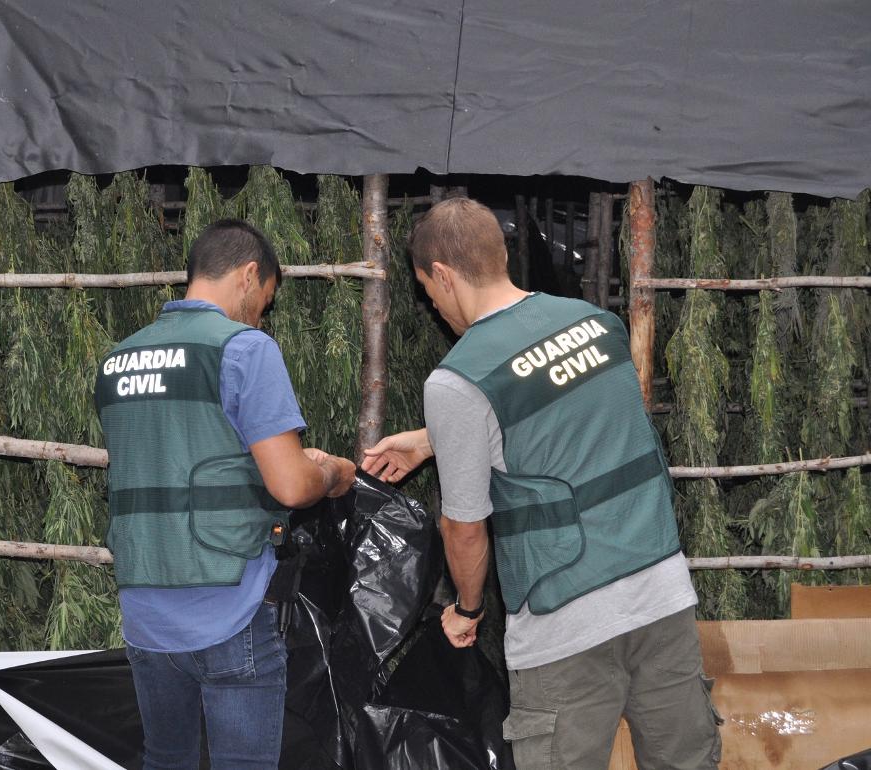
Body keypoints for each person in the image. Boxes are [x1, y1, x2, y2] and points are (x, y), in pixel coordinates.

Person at [361, 197, 721, 769]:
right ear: (501, 253)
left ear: (445, 277)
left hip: (565, 625)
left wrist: (469, 609)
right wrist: (434, 439)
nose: (432, 304)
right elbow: (562, 413)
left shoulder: (459, 379)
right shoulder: (596, 323)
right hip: (662, 595)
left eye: (428, 290)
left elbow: (465, 530)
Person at [94, 219, 357, 770]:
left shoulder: (118, 361)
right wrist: (331, 472)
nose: (262, 314)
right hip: (231, 611)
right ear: (248, 275)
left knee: (167, 760)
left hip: (145, 613)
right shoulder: (245, 350)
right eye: (265, 299)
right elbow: (288, 484)